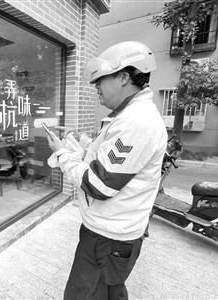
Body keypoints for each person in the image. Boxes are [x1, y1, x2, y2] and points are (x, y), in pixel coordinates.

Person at [45, 41, 167, 300]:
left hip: (108, 238)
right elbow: (108, 158)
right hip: (113, 233)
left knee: (83, 295)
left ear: (124, 77)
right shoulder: (130, 115)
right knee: (111, 291)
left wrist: (62, 153)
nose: (96, 87)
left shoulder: (137, 122)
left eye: (100, 79)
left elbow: (99, 184)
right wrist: (80, 139)